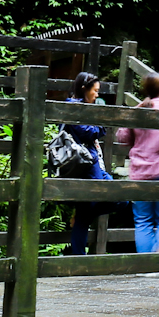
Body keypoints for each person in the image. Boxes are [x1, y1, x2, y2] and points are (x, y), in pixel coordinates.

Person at [116, 74, 159, 273]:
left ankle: (147, 267)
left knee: (143, 219)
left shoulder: (139, 110)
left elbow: (122, 136)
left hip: (140, 172)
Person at [59, 72, 112, 255]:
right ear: (84, 89)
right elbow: (87, 133)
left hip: (91, 161)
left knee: (121, 198)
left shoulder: (84, 107)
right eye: (95, 91)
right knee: (91, 207)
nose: (97, 95)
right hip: (84, 163)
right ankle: (78, 258)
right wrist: (102, 124)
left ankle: (82, 217)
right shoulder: (73, 106)